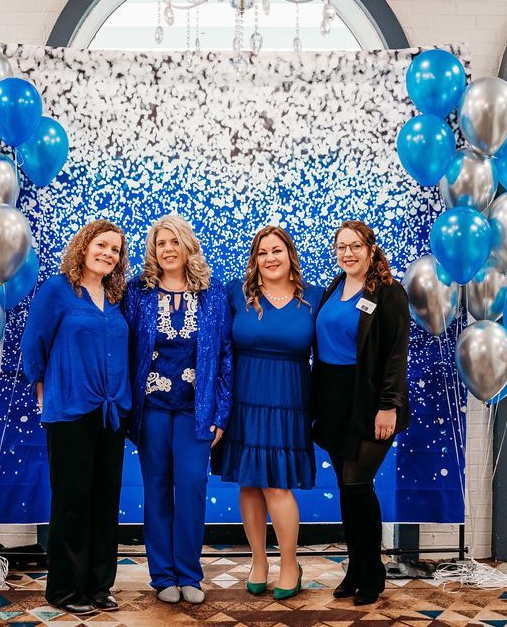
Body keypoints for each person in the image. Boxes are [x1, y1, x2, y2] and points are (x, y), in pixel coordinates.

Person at [20, 220, 131, 616]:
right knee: (72, 502)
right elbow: (33, 342)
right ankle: (66, 590)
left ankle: (99, 585)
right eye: (102, 245)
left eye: (115, 249)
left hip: (111, 412)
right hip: (69, 412)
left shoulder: (116, 296)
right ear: (84, 247)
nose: (108, 253)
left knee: (104, 500)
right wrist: (41, 390)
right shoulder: (57, 290)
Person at [123, 214, 233, 605]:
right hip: (151, 408)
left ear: (188, 246)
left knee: (191, 486)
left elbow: (224, 356)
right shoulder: (137, 292)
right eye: (159, 243)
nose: (167, 249)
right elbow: (126, 349)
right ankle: (162, 576)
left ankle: (189, 573)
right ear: (153, 251)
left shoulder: (213, 294)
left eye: (174, 242)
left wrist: (220, 413)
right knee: (156, 489)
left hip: (195, 409)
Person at [215, 226, 320, 599]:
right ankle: (258, 560)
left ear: (290, 254)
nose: (270, 258)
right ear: (254, 259)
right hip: (245, 400)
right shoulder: (236, 294)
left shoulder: (315, 299)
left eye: (277, 251)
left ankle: (290, 562)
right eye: (262, 253)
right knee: (249, 483)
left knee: (277, 485)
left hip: (288, 401)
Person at [311, 220, 409, 606]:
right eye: (341, 247)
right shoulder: (335, 287)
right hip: (334, 399)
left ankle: (372, 571)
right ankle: (355, 568)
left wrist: (388, 406)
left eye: (355, 246)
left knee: (357, 486)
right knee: (346, 490)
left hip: (370, 401)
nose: (348, 253)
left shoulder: (388, 291)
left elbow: (395, 355)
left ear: (370, 249)